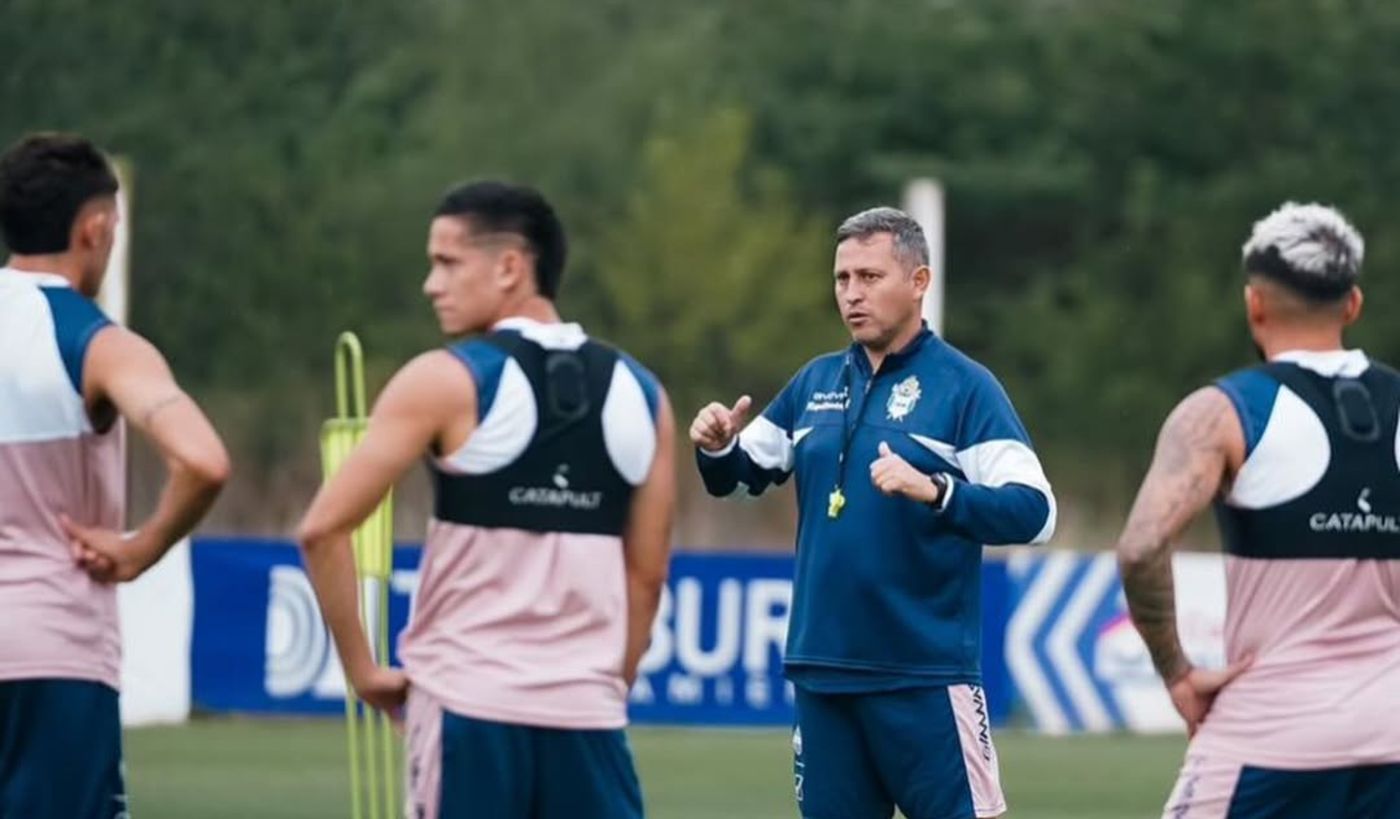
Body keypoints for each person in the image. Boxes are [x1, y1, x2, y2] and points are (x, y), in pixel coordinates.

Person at [297, 181, 675, 819]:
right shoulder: (645, 394)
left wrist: (363, 672)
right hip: (588, 717)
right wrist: (608, 682)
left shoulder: (444, 379)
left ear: (509, 267)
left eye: (447, 262)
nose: (430, 284)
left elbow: (323, 530)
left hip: (466, 707)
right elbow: (647, 572)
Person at [691, 207, 1055, 819]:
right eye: (842, 279)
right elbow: (738, 478)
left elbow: (1036, 513)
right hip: (824, 676)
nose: (852, 295)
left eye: (870, 276)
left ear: (918, 283)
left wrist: (938, 490)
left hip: (924, 679)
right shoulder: (815, 384)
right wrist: (718, 444)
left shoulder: (965, 388)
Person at [1116, 202, 1400, 817]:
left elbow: (1140, 547)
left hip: (1271, 735)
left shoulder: (1220, 413)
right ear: (1352, 304)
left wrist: (1177, 673)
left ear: (1255, 304)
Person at [0, 132, 230, 817]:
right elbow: (203, 459)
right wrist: (143, 544)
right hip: (50, 654)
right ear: (94, 229)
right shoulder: (96, 342)